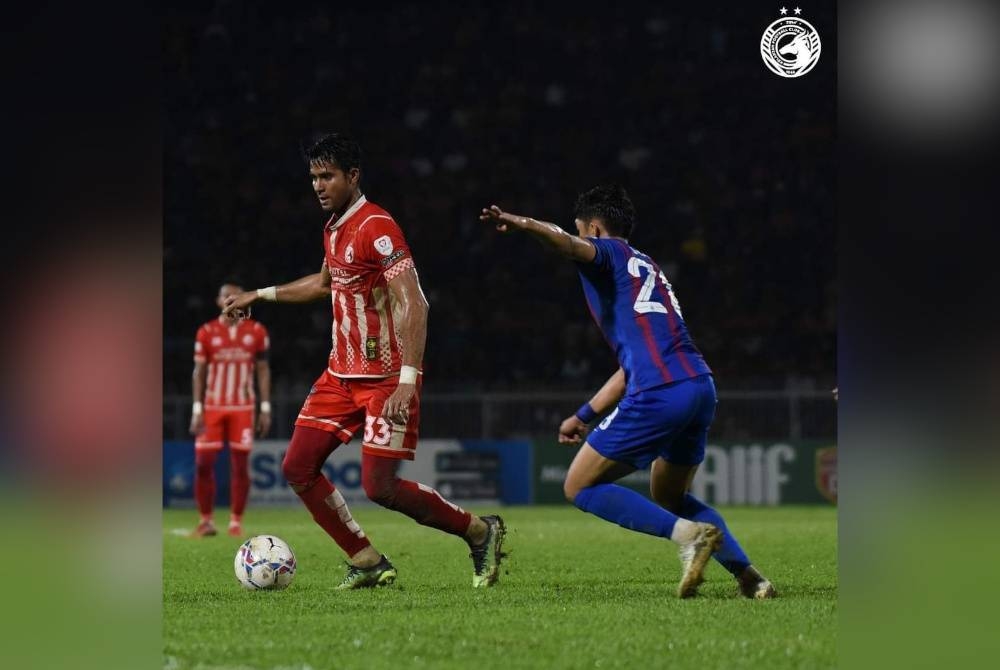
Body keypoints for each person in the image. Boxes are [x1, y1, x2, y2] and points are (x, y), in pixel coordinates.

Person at [222, 133, 505, 589]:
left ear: (353, 176)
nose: (318, 185)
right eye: (314, 176)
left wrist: (408, 381)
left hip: (385, 379)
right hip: (339, 375)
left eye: (327, 176)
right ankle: (367, 560)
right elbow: (321, 285)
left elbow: (415, 302)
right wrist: (261, 293)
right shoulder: (334, 226)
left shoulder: (378, 226)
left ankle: (478, 531)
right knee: (297, 467)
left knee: (380, 488)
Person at [480, 184, 775, 599]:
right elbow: (628, 367)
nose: (579, 237)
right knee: (669, 493)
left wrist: (524, 223)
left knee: (578, 487)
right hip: (698, 387)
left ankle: (688, 536)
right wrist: (584, 415)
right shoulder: (648, 268)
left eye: (581, 230)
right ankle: (750, 577)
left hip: (659, 391)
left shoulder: (611, 253)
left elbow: (566, 245)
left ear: (595, 230)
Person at [190, 283, 272, 538]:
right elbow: (199, 372)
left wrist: (265, 407)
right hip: (213, 406)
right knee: (203, 464)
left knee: (240, 465)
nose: (229, 300)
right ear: (218, 301)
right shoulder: (206, 332)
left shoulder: (256, 331)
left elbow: (262, 370)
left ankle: (235, 522)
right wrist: (197, 408)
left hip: (243, 407)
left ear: (242, 301)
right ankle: (206, 521)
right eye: (225, 295)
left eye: (234, 296)